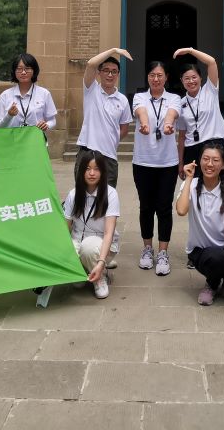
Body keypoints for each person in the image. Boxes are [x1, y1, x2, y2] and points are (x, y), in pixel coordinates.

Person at [176, 141, 224, 306]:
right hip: (202, 253)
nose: (210, 164)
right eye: (205, 159)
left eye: (215, 160)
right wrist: (189, 178)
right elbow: (181, 210)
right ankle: (212, 284)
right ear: (199, 161)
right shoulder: (190, 185)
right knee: (216, 258)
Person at [132, 61, 181, 275]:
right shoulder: (139, 97)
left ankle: (162, 252)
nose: (156, 79)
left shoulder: (174, 98)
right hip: (143, 162)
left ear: (166, 77)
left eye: (160, 75)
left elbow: (172, 114)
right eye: (152, 75)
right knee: (146, 207)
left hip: (167, 163)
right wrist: (144, 124)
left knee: (164, 207)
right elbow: (141, 112)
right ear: (148, 77)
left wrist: (168, 124)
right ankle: (147, 249)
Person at [63, 150, 119, 299]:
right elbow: (65, 228)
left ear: (103, 172)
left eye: (96, 169)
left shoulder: (110, 194)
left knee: (88, 247)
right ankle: (82, 270)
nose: (92, 173)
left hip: (101, 245)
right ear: (81, 171)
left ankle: (100, 276)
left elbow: (109, 233)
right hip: (78, 240)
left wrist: (101, 262)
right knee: (77, 282)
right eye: (87, 169)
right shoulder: (73, 194)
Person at [75, 48, 133, 189]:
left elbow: (124, 129)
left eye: (114, 71)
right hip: (87, 152)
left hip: (109, 157)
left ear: (118, 74)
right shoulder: (91, 89)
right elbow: (91, 64)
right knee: (83, 196)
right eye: (106, 70)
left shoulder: (122, 100)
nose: (110, 74)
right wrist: (114, 50)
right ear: (99, 73)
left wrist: (109, 139)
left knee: (107, 197)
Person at [173, 47, 224, 175]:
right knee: (193, 186)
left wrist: (190, 51)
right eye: (186, 78)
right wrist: (180, 163)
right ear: (181, 81)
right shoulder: (180, 104)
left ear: (200, 78)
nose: (191, 81)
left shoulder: (210, 90)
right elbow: (182, 137)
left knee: (217, 185)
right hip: (192, 150)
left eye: (194, 77)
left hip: (214, 147)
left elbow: (211, 62)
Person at [0, 52, 58, 133]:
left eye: (27, 68)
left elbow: (52, 121)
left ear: (34, 70)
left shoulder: (44, 93)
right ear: (14, 71)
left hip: (35, 139)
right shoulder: (5, 95)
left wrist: (46, 125)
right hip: (12, 139)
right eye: (19, 69)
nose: (23, 72)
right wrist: (9, 116)